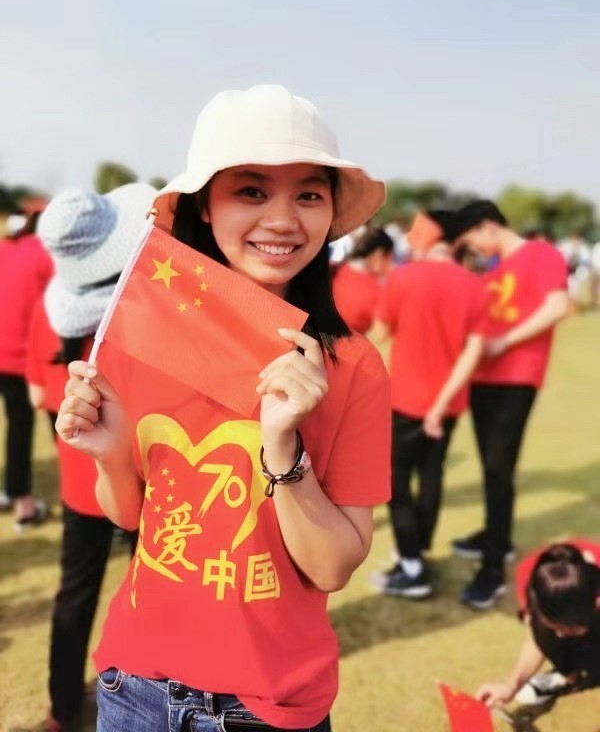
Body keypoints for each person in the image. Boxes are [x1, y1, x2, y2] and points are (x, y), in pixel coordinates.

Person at [55, 84, 391, 732]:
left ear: (330, 212)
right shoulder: (144, 336)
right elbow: (132, 515)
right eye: (252, 191)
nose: (283, 220)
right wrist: (109, 453)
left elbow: (331, 566)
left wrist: (284, 450)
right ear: (205, 207)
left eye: (309, 195)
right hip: (134, 689)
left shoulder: (352, 367)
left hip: (266, 707)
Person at [30, 184, 154, 731]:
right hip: (142, 477)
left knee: (75, 592)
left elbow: (40, 392)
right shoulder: (145, 319)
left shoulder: (49, 315)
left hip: (80, 481)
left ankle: (62, 704)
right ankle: (142, 687)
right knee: (146, 591)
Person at [449, 201, 569, 609]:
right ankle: (494, 534)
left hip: (516, 376)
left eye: (473, 241)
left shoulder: (540, 253)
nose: (475, 249)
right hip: (483, 378)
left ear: (488, 226)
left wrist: (505, 341)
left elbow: (557, 306)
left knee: (499, 468)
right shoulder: (494, 269)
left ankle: (492, 567)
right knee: (491, 466)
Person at [370, 210, 488, 598]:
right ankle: (417, 551)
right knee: (432, 474)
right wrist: (442, 404)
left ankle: (412, 566)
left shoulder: (402, 277)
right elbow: (473, 353)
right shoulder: (474, 285)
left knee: (397, 481)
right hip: (448, 404)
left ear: (430, 235)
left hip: (405, 399)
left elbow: (380, 332)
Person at [477, 544, 600, 710]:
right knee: (543, 628)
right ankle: (569, 673)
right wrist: (511, 686)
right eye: (556, 627)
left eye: (571, 628)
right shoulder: (535, 578)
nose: (560, 634)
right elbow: (537, 637)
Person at [0, 203, 53, 530]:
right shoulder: (47, 254)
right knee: (66, 431)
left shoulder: (4, 249)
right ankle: (88, 508)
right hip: (35, 358)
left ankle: (18, 499)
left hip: (4, 356)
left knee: (17, 428)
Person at [331, 226, 394, 334]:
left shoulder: (333, 269)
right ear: (378, 255)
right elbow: (383, 331)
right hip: (346, 342)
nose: (389, 265)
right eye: (388, 259)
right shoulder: (375, 290)